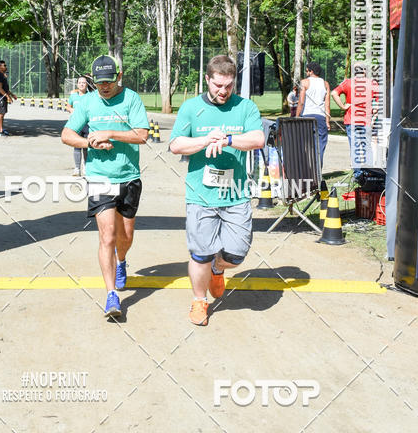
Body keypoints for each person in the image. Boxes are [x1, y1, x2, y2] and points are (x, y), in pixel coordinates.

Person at [169, 54, 265, 327]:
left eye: (228, 86)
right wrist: (204, 140)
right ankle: (199, 301)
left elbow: (258, 138)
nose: (223, 91)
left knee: (236, 253)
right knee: (200, 253)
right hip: (201, 195)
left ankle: (218, 268)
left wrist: (229, 139)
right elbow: (175, 145)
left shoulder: (245, 107)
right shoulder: (191, 108)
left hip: (236, 193)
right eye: (217, 85)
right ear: (207, 80)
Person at [61, 55, 149, 319]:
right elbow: (67, 135)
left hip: (129, 176)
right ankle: (111, 294)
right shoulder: (87, 102)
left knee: (125, 238)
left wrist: (110, 134)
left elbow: (142, 135)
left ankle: (122, 261)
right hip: (100, 177)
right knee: (107, 237)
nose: (104, 87)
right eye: (99, 83)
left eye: (109, 82)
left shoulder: (131, 99)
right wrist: (90, 143)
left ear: (118, 76)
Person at [331, 75, 380, 179]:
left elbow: (334, 93)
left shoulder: (348, 82)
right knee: (367, 147)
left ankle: (357, 175)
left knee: (354, 148)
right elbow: (377, 103)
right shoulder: (372, 83)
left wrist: (343, 106)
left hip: (351, 119)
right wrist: (374, 114)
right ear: (365, 72)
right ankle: (369, 173)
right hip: (365, 120)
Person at [296, 61, 330, 165]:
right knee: (320, 145)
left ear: (311, 71)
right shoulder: (325, 84)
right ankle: (317, 170)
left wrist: (296, 116)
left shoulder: (304, 82)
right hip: (320, 117)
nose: (306, 72)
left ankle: (305, 168)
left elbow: (301, 102)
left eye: (307, 71)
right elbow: (327, 104)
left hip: (306, 116)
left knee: (304, 144)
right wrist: (327, 121)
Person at [66, 75, 92, 176]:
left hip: (87, 125)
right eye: (80, 82)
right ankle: (77, 168)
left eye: (84, 82)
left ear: (87, 84)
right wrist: (71, 110)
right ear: (77, 84)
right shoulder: (73, 96)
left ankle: (85, 166)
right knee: (76, 146)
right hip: (76, 125)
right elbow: (68, 106)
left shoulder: (90, 96)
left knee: (85, 146)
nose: (82, 84)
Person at [0, 60, 17, 137]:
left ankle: (1, 130)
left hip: (3, 97)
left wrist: (12, 95)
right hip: (0, 97)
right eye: (4, 65)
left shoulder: (3, 75)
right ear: (0, 67)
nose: (6, 67)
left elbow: (6, 89)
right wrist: (7, 97)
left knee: (2, 114)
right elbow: (0, 88)